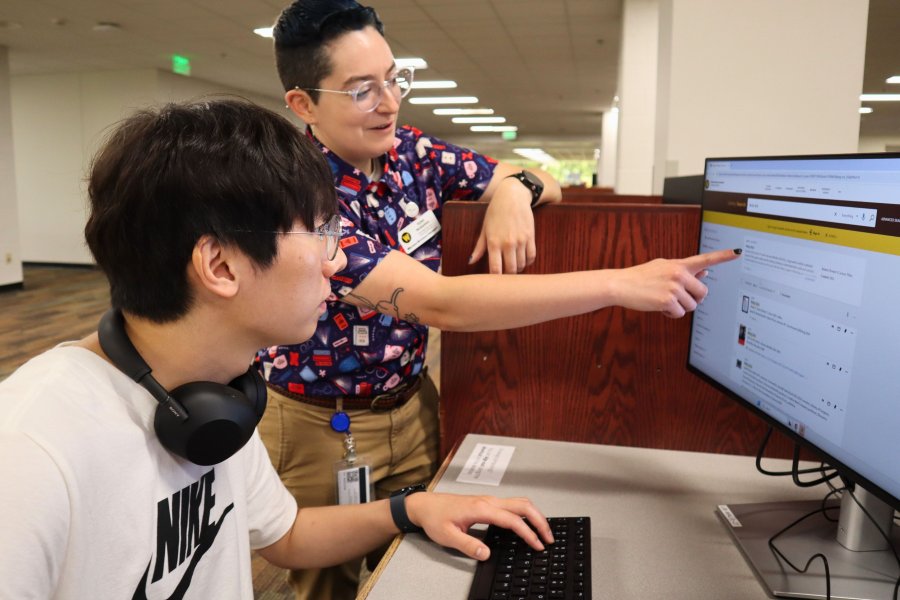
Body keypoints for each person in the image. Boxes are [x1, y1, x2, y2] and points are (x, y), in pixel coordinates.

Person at [258, 2, 742, 599]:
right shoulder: (296, 194)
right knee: (323, 586)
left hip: (413, 406)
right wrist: (617, 283)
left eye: (393, 78)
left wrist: (516, 190)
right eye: (362, 89)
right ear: (304, 103)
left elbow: (547, 181)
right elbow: (440, 304)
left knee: (414, 571)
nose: (389, 102)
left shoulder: (412, 154)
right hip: (318, 423)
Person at [0, 98, 557, 599]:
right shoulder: (29, 453)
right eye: (319, 233)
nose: (335, 261)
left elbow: (286, 534)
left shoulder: (216, 393)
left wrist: (410, 509)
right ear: (220, 265)